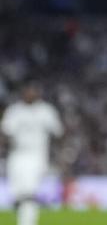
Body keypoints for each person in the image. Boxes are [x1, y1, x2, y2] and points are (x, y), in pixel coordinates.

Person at [2, 84, 63, 225]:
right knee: (18, 195)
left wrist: (58, 155)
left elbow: (58, 132)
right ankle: (23, 218)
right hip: (16, 155)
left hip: (37, 155)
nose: (30, 94)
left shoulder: (46, 111)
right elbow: (5, 132)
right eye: (27, 91)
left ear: (38, 94)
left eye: (33, 91)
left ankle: (28, 223)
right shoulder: (15, 111)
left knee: (29, 192)